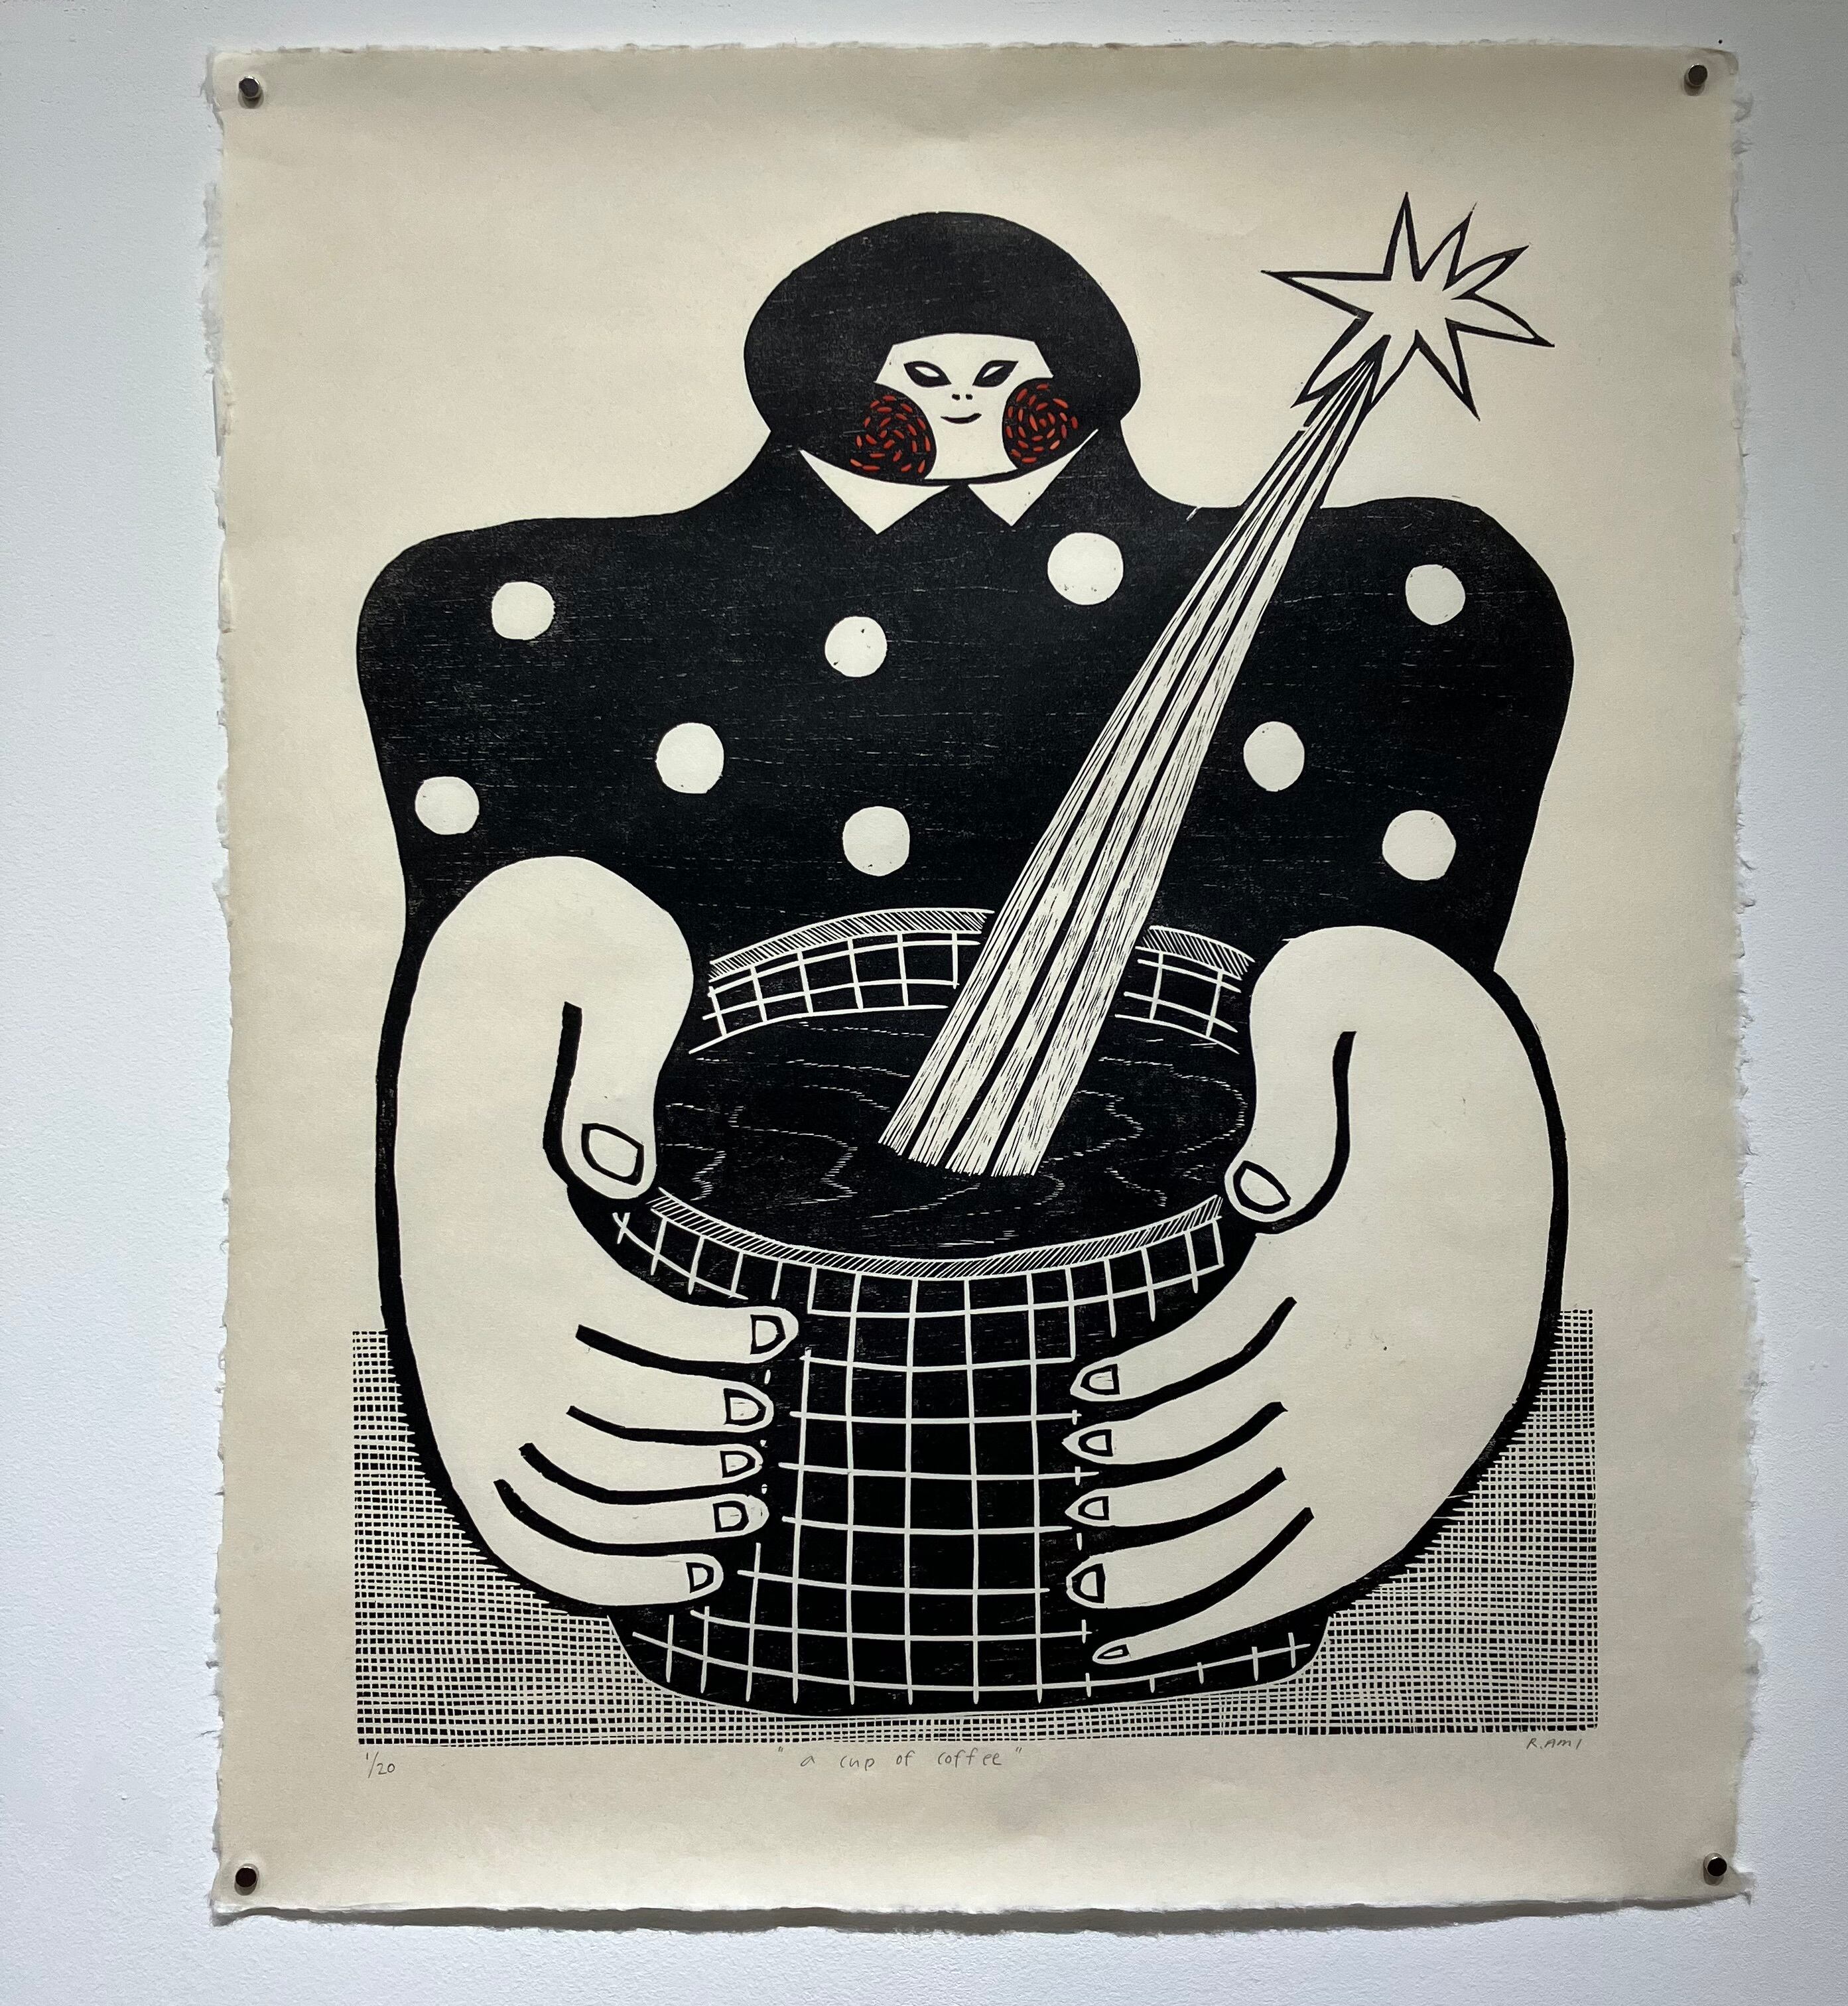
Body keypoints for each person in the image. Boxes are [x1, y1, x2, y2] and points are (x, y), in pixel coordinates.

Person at [358, 212, 1571, 1707]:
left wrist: (1440, 1101)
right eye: (916, 376)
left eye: (998, 373)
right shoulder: (532, 618)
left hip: (1171, 1290)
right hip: (760, 1395)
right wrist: (484, 1135)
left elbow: (1380, 965)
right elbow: (515, 946)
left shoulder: (1376, 599)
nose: (956, 405)